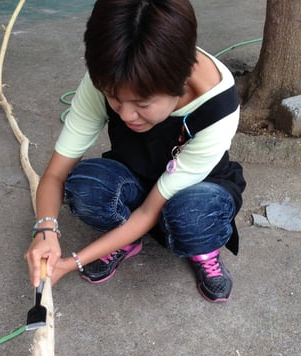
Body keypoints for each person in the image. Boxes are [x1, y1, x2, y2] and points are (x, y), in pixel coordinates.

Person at [25, 0, 246, 303]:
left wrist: (71, 262)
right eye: (114, 98)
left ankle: (203, 249)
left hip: (195, 189)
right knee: (86, 187)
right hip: (135, 174)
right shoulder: (108, 74)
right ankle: (124, 239)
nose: (126, 115)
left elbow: (147, 212)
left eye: (142, 104)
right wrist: (45, 230)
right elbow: (54, 175)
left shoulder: (218, 106)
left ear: (182, 81)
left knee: (191, 215)